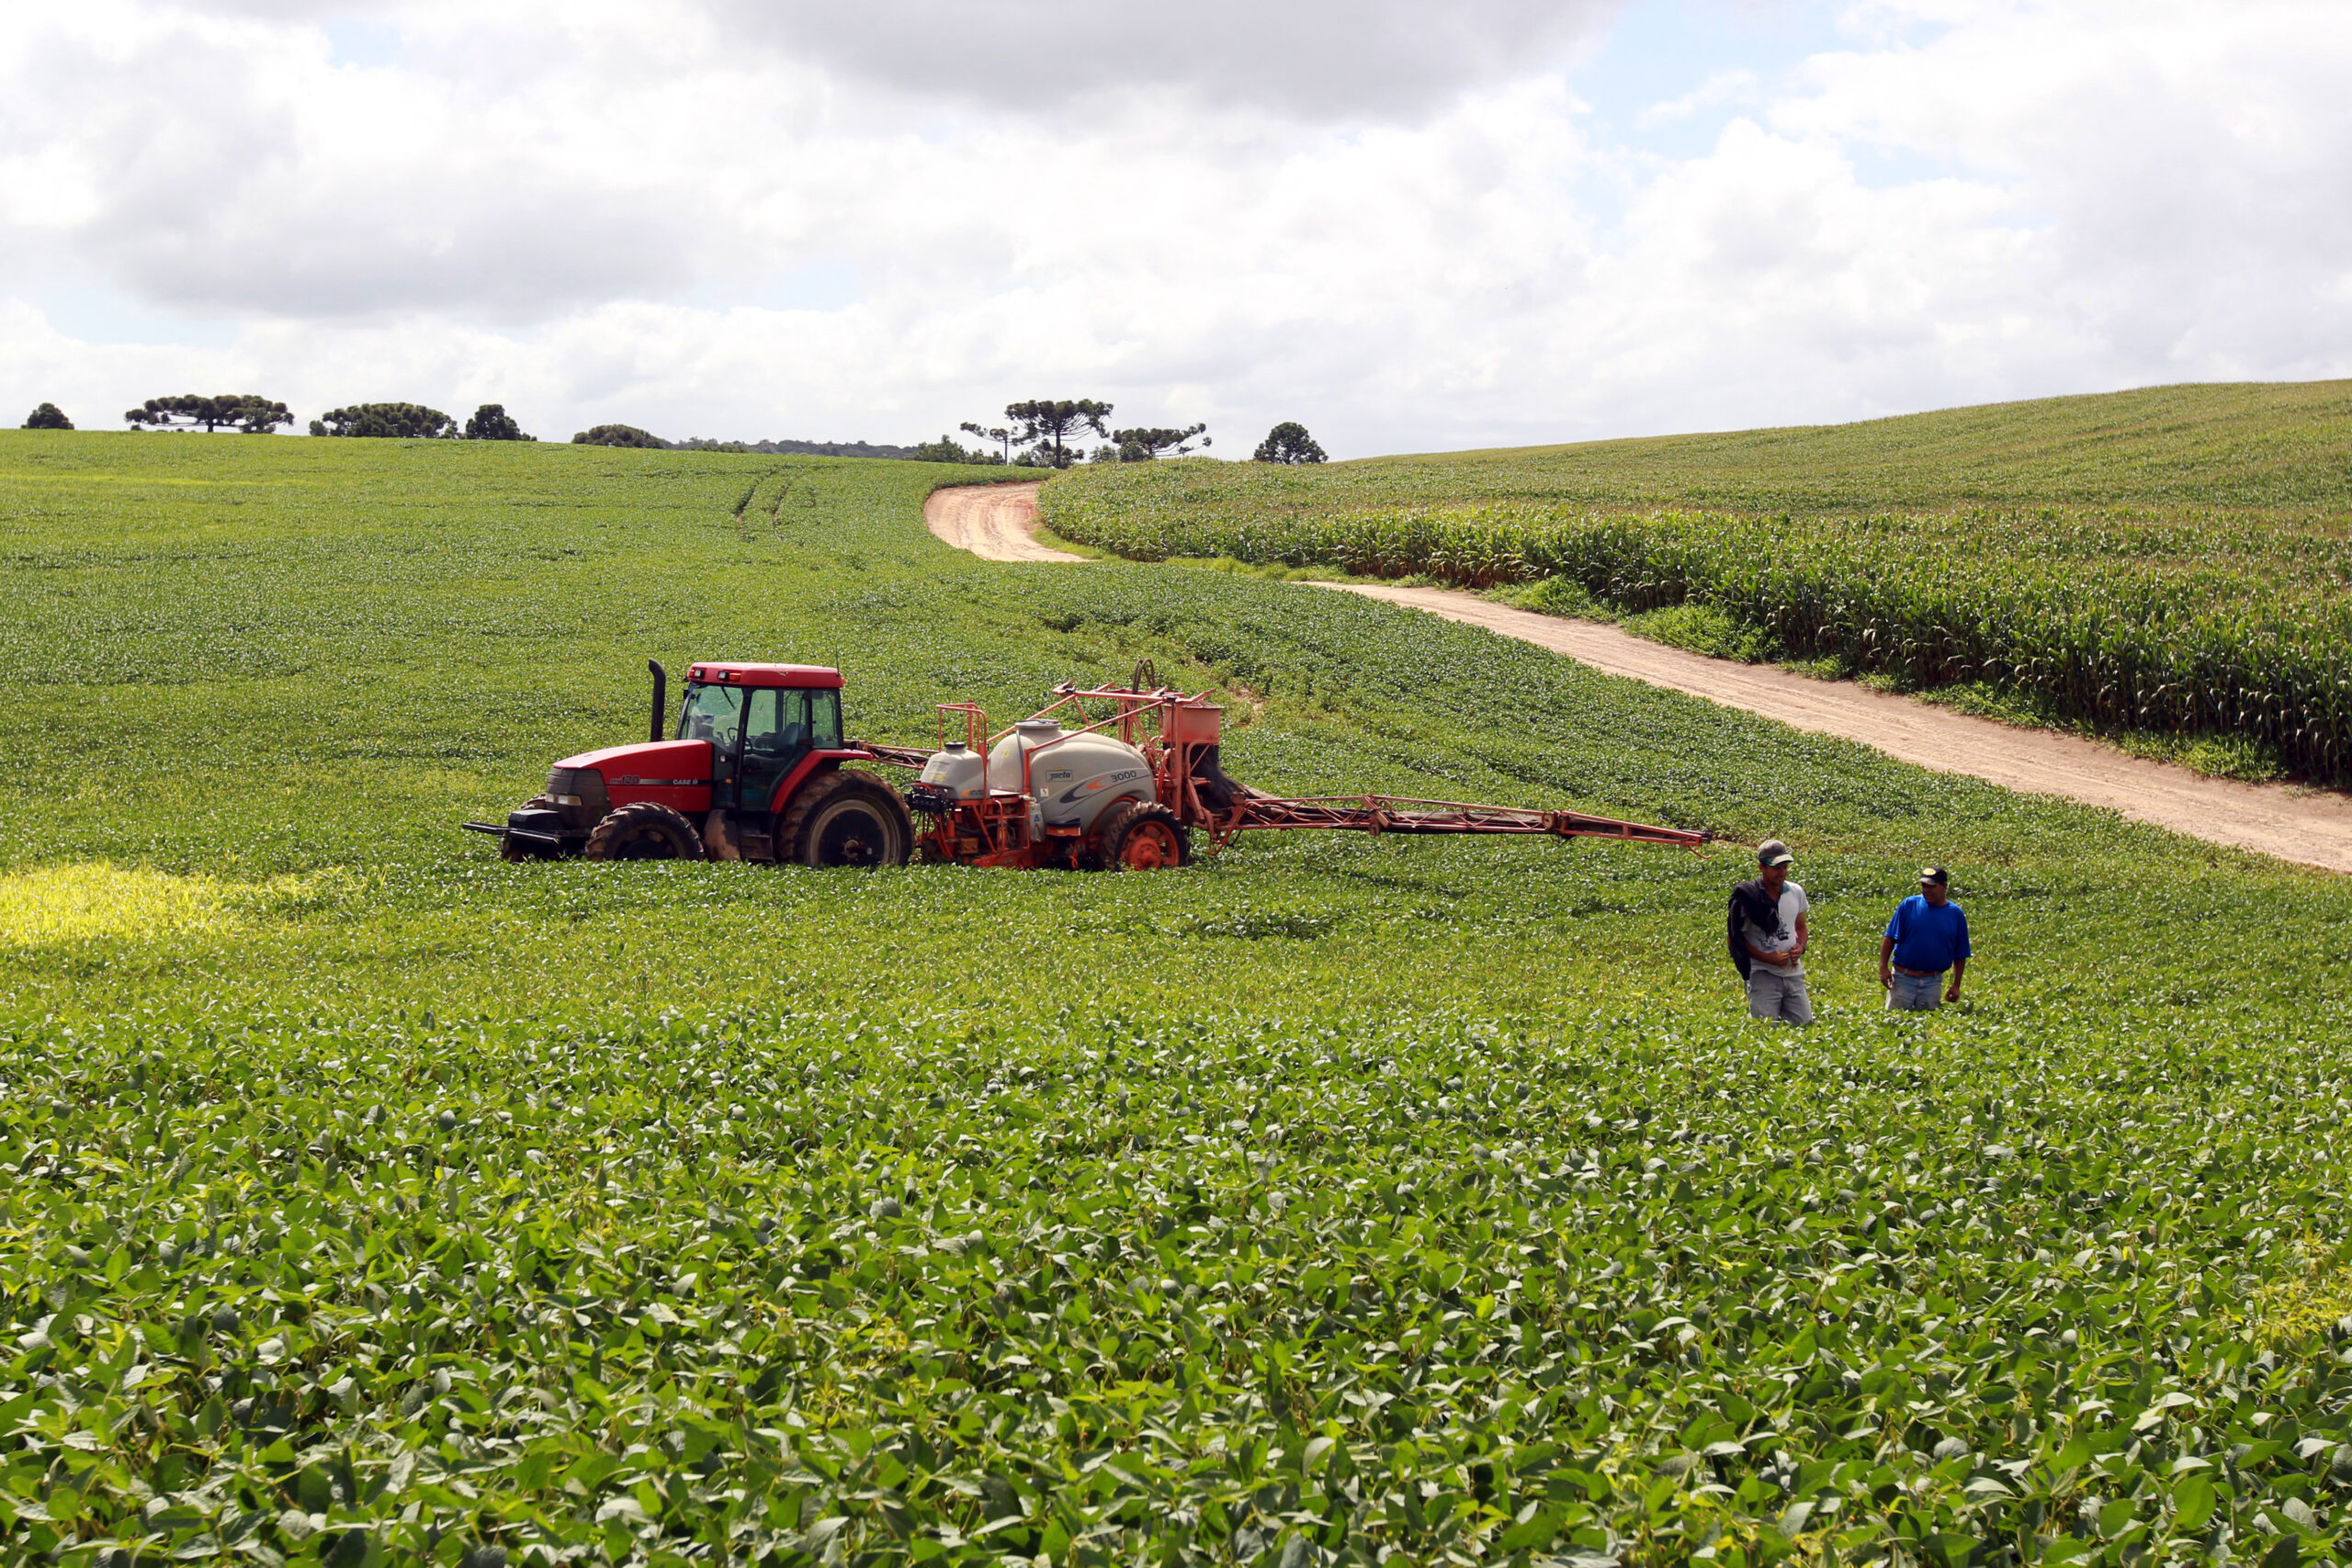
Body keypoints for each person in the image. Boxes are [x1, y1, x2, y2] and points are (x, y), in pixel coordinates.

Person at [1733, 839, 1812, 1024]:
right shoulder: (1748, 897)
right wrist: (1767, 957)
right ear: (1762, 867)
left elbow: (1801, 927)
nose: (1782, 872)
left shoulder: (1795, 891)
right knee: (1766, 1029)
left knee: (1804, 1024)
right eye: (1777, 868)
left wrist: (1800, 946)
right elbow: (1735, 939)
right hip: (1762, 974)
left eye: (1785, 867)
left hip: (1793, 973)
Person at [1881, 865, 1970, 1010]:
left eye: (1931, 886)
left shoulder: (1955, 914)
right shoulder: (1909, 905)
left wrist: (1956, 985)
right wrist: (1883, 968)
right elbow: (1890, 937)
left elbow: (1960, 954)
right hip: (1903, 979)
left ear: (1944, 887)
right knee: (1895, 1023)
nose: (1926, 890)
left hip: (1932, 982)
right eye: (1924, 885)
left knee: (1928, 1025)